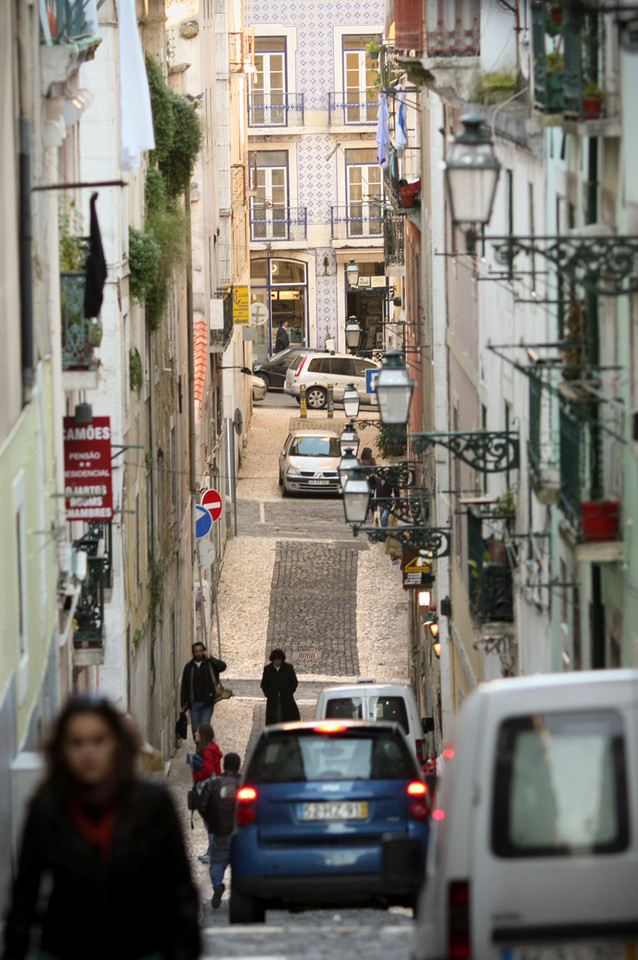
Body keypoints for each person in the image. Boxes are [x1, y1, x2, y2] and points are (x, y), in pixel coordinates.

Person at [1, 695, 200, 960]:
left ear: (116, 744)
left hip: (142, 948)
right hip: (66, 949)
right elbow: (24, 896)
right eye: (77, 742)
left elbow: (180, 887)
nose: (88, 752)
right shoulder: (48, 809)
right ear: (62, 749)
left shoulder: (153, 803)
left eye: (98, 740)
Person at [198, 752, 242, 909]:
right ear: (238, 766)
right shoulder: (246, 783)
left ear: (224, 765)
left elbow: (202, 805)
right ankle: (238, 892)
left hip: (221, 831)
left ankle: (217, 885)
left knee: (217, 861)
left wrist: (212, 821)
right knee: (241, 862)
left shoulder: (214, 784)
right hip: (241, 832)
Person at [187, 723, 222, 865]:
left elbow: (208, 770)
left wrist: (196, 776)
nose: (195, 733)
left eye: (197, 731)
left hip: (208, 790)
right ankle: (211, 851)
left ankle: (212, 853)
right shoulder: (213, 749)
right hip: (214, 788)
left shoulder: (207, 751)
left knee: (210, 824)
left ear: (203, 735)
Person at [180, 642, 227, 740]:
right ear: (193, 653)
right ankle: (200, 748)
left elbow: (222, 666)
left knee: (204, 728)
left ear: (204, 651)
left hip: (207, 702)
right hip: (194, 703)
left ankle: (204, 749)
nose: (198, 653)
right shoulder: (189, 667)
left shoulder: (210, 664)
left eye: (200, 651)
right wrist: (183, 702)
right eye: (196, 651)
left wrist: (211, 658)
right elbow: (185, 685)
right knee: (194, 729)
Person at [260, 648, 300, 725]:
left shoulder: (288, 668)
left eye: (279, 659)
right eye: (276, 660)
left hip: (286, 698)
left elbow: (294, 682)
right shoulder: (268, 669)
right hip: (273, 699)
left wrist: (289, 692)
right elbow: (264, 684)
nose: (277, 662)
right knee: (274, 717)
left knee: (288, 717)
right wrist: (268, 694)